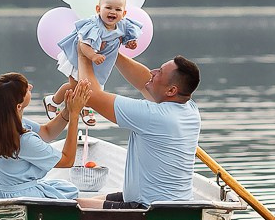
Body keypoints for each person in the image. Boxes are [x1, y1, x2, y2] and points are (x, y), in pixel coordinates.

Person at [75, 53, 201, 209]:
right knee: (88, 198)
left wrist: (82, 55)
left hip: (147, 210)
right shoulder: (190, 109)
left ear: (171, 90)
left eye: (159, 72)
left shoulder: (153, 116)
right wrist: (112, 52)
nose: (152, 72)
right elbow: (144, 82)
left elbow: (90, 95)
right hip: (174, 202)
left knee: (74, 205)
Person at [0, 72, 92, 199]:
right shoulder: (24, 140)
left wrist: (67, 110)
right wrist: (74, 115)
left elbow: (47, 132)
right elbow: (67, 161)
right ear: (19, 106)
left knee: (64, 187)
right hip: (22, 197)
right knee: (72, 192)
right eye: (26, 89)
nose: (30, 86)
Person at [44, 0, 142, 126]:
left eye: (118, 9)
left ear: (124, 13)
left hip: (101, 61)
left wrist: (130, 43)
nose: (112, 12)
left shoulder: (124, 25)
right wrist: (93, 55)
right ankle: (53, 100)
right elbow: (83, 46)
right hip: (80, 56)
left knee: (93, 86)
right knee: (75, 86)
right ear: (98, 9)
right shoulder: (94, 26)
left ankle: (86, 107)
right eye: (108, 8)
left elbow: (125, 38)